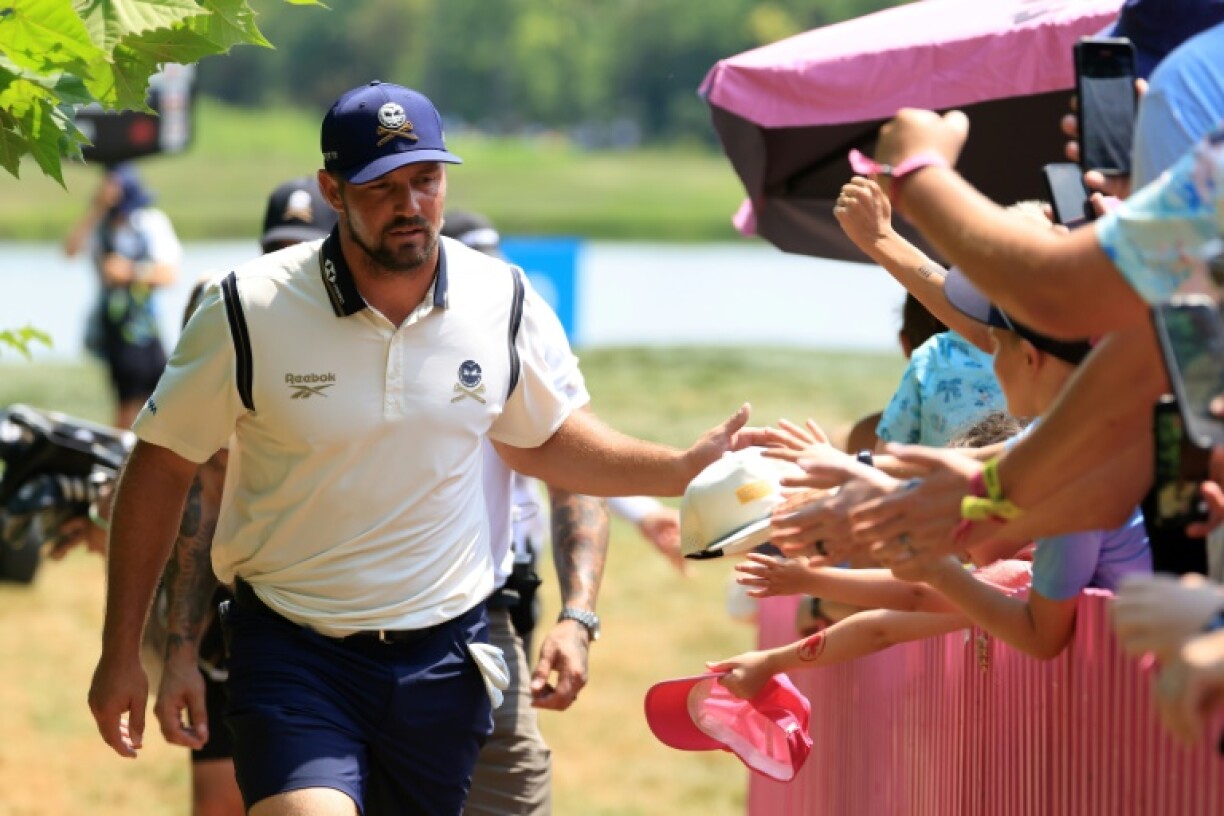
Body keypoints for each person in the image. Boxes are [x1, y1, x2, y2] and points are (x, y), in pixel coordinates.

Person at [88, 81, 748, 816]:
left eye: (427, 180)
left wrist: (678, 468)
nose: (410, 205)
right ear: (332, 190)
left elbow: (548, 446)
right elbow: (165, 466)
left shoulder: (503, 298)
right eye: (382, 186)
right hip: (293, 649)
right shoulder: (247, 308)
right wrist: (124, 652)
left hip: (446, 656)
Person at [64, 163, 181, 429]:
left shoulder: (149, 222)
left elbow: (169, 274)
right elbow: (69, 250)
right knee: (127, 399)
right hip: (114, 326)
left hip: (146, 324)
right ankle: (122, 458)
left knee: (160, 393)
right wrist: (97, 208)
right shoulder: (100, 225)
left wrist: (129, 272)